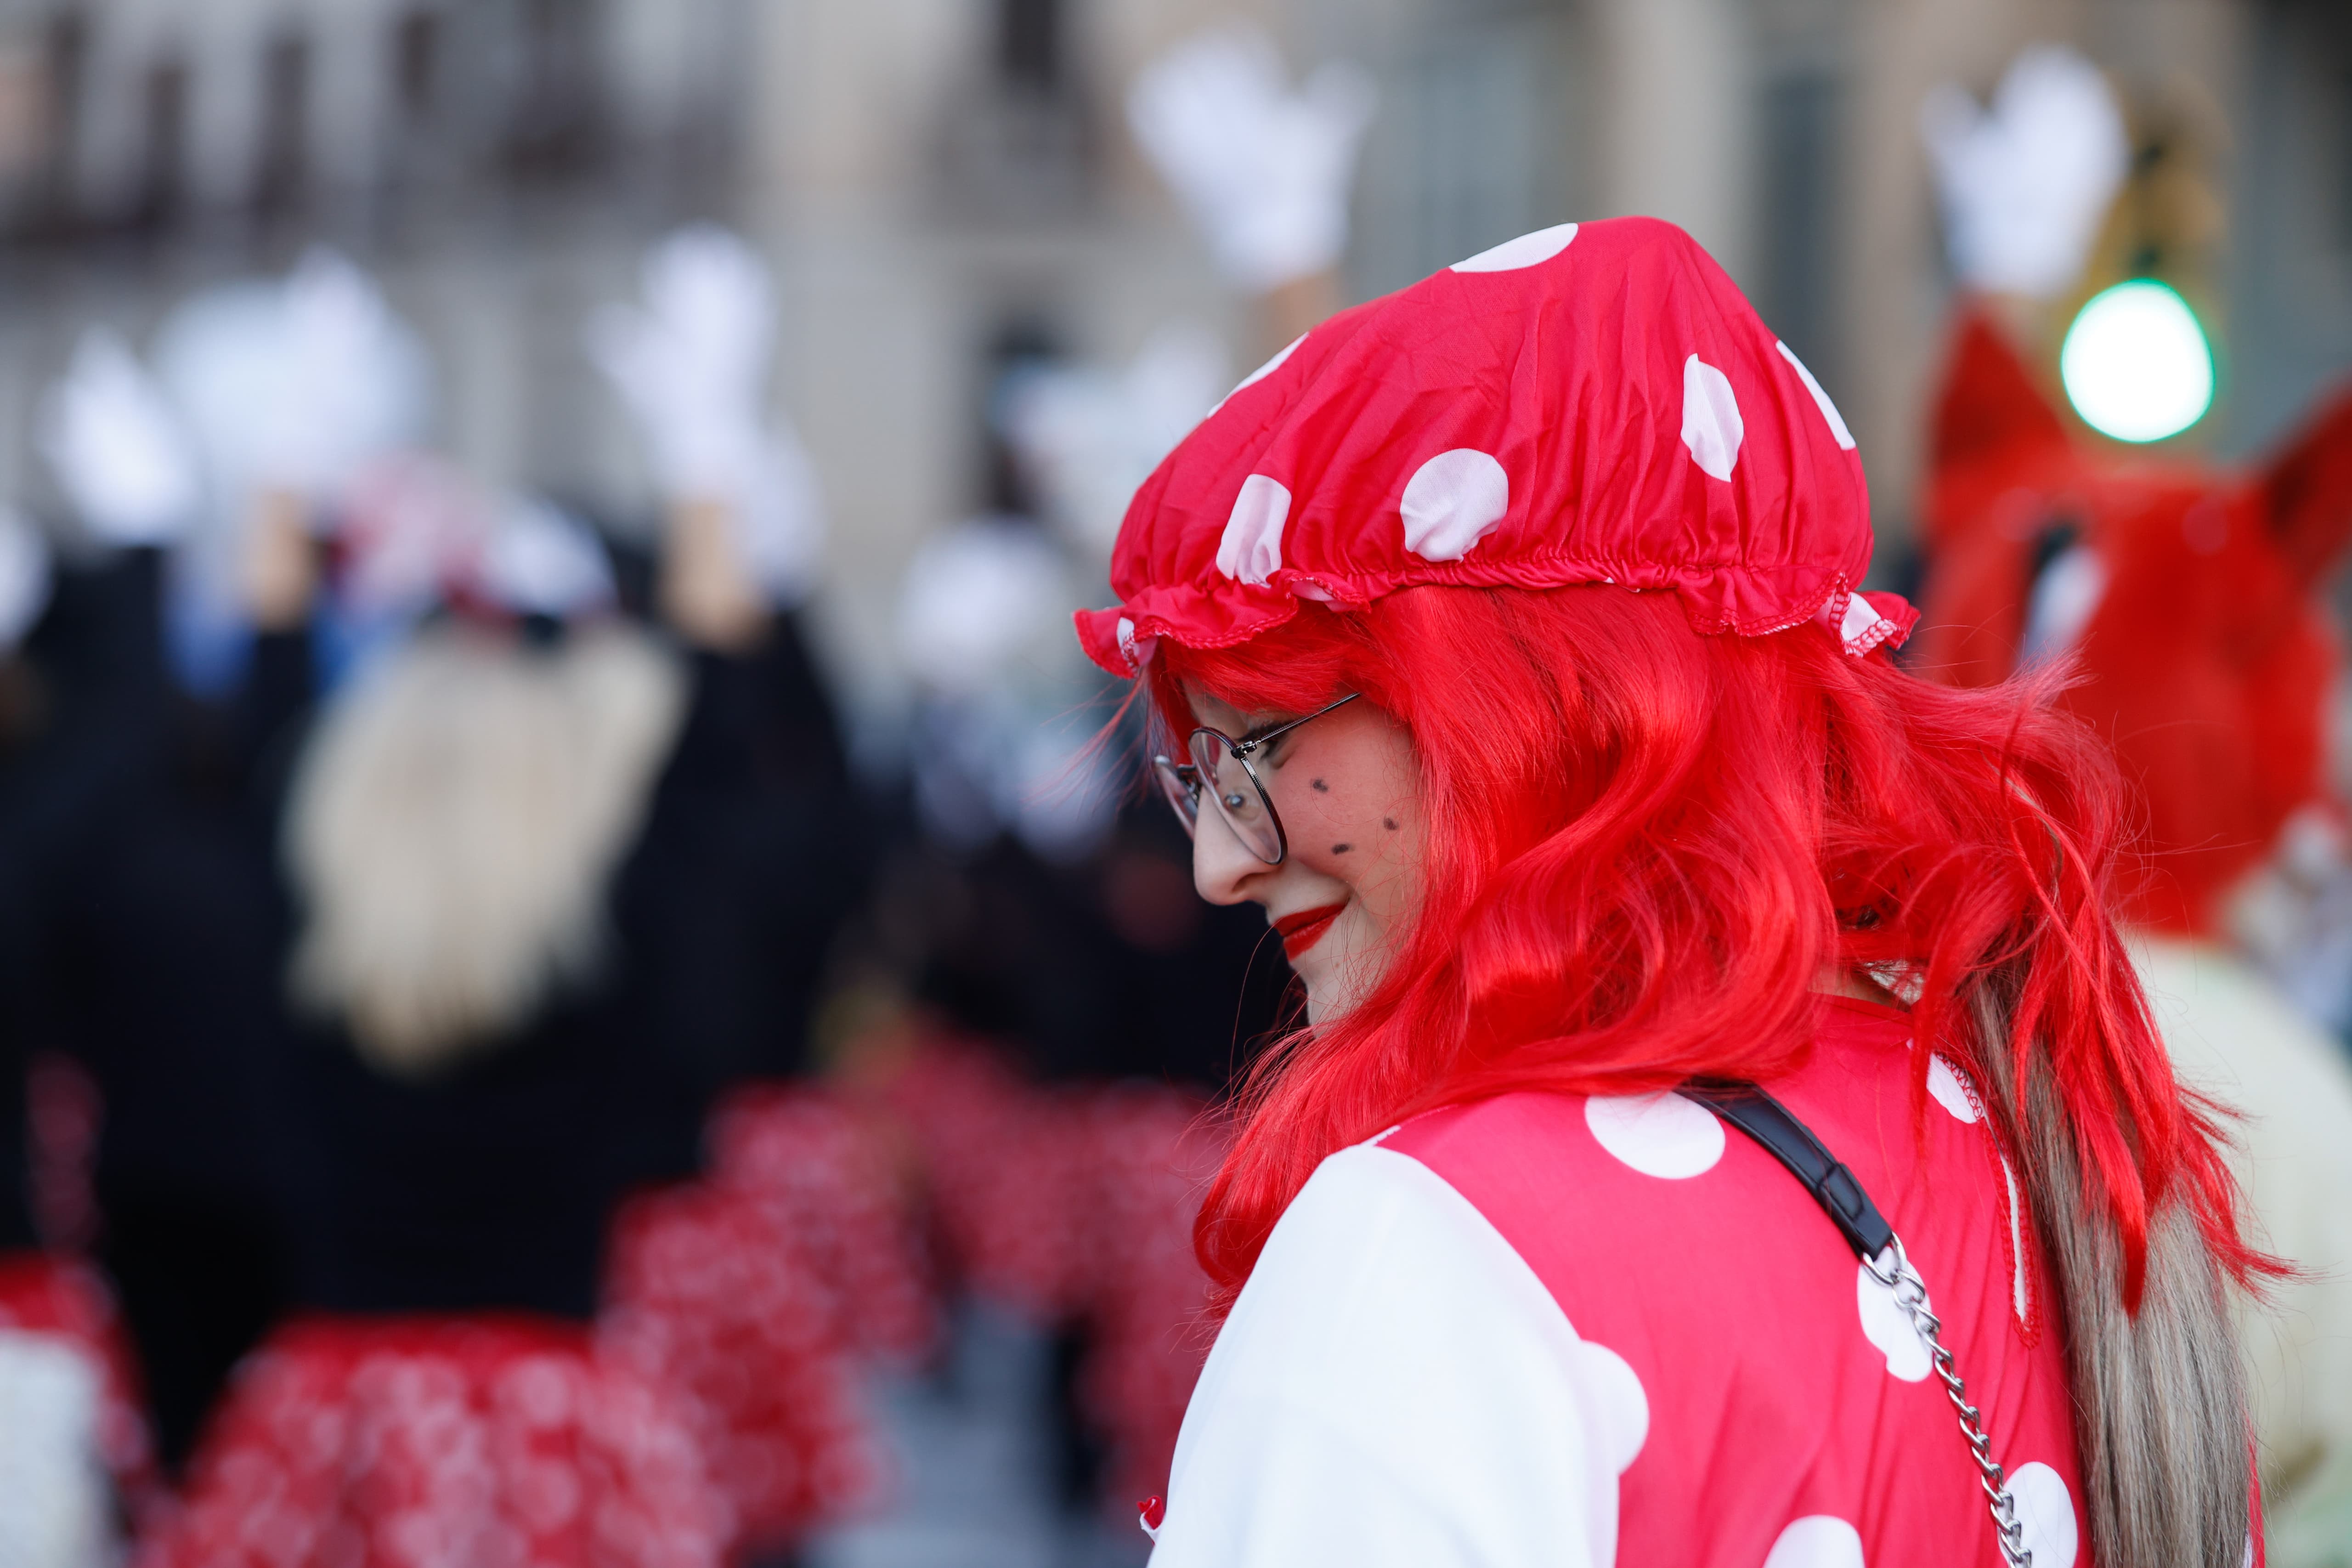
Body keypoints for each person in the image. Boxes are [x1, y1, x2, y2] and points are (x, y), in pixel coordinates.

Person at [1072, 216, 2271, 1567]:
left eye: (1259, 751)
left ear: (1540, 706)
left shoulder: (1426, 1257)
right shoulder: (2060, 1161)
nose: (1216, 861)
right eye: (1197, 773)